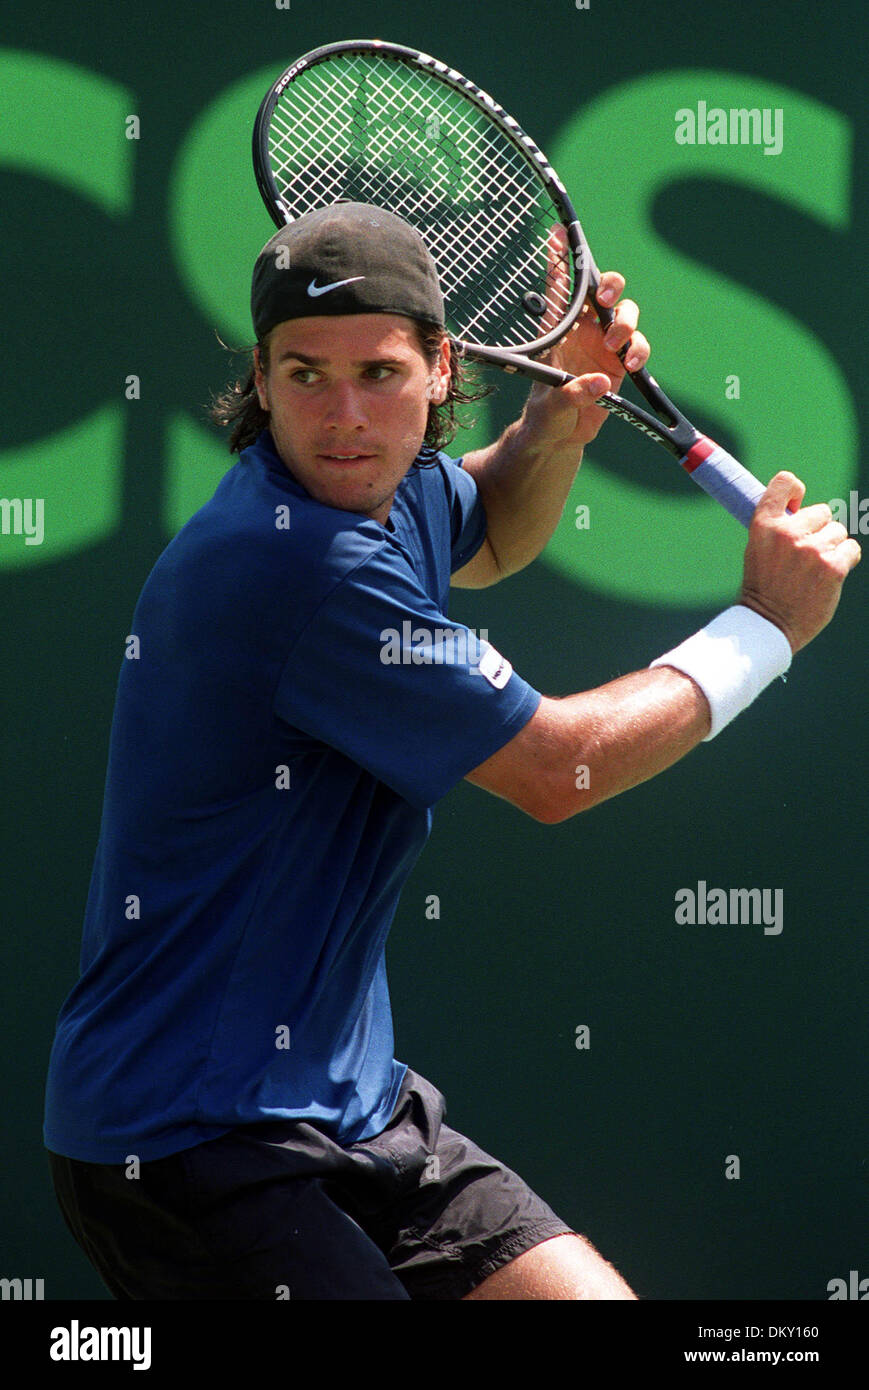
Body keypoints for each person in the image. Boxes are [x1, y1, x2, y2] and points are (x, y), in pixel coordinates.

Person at [44, 203, 860, 1301]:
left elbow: (490, 520)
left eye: (377, 373)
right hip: (188, 1143)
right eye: (303, 374)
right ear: (263, 378)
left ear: (438, 367)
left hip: (355, 1106)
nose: (340, 416)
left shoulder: (385, 489)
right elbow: (557, 770)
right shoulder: (295, 568)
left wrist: (556, 416)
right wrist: (763, 626)